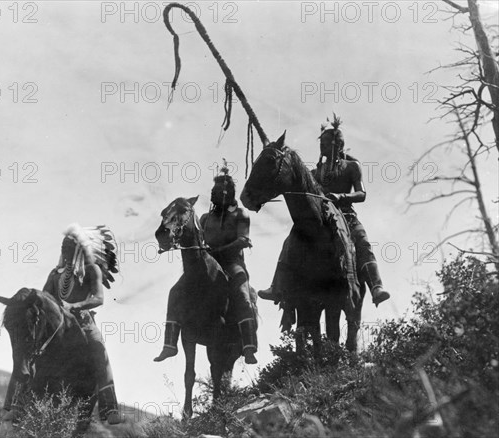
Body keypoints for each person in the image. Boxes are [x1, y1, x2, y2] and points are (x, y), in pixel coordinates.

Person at [259, 115, 390, 306]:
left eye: (327, 142)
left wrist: (341, 197)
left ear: (338, 144)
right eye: (321, 143)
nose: (323, 146)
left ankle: (376, 286)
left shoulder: (352, 167)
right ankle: (277, 286)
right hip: (320, 218)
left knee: (362, 241)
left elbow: (362, 194)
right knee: (291, 239)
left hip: (346, 216)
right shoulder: (314, 173)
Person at [2, 224, 122, 425]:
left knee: (98, 351)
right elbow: (44, 297)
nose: (65, 253)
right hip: (57, 323)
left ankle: (109, 407)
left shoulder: (92, 270)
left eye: (69, 249)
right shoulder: (54, 274)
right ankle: (16, 404)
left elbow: (98, 298)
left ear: (78, 250)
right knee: (28, 350)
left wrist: (75, 305)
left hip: (84, 322)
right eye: (62, 248)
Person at [154, 165, 258, 364]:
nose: (213, 195)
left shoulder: (240, 214)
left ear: (227, 194)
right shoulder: (204, 218)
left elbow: (243, 240)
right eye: (212, 192)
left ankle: (248, 345)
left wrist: (218, 251)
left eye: (217, 192)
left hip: (231, 262)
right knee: (175, 291)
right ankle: (169, 344)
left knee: (243, 295)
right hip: (207, 263)